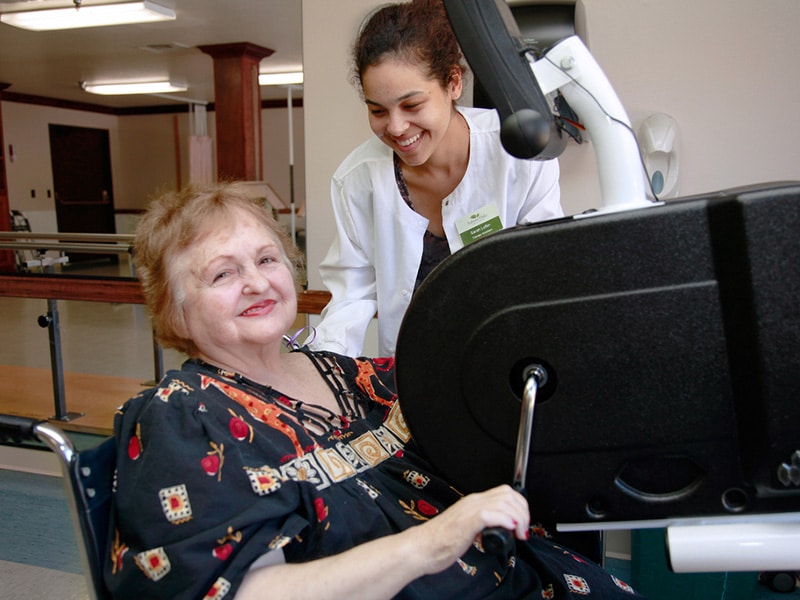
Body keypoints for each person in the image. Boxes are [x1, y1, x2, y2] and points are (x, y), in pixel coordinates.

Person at [105, 182, 640, 599]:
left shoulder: (350, 376)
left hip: (518, 575)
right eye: (222, 274)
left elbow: (468, 404)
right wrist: (433, 542)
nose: (256, 282)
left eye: (267, 260)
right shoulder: (180, 417)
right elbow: (243, 591)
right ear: (174, 309)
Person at [311, 0, 563, 357]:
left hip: (507, 362)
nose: (396, 128)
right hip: (411, 375)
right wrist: (322, 364)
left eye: (412, 106)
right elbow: (350, 297)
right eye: (378, 110)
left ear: (454, 83)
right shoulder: (358, 180)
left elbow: (545, 275)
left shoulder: (518, 156)